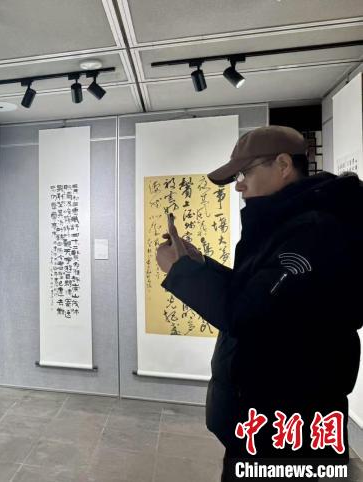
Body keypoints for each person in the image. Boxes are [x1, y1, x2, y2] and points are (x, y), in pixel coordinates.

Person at [155, 125, 363, 481]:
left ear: (283, 165)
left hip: (287, 424)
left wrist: (181, 272)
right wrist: (199, 264)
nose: (239, 185)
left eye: (245, 173)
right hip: (267, 417)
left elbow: (249, 315)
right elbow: (255, 292)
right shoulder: (288, 223)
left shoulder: (314, 231)